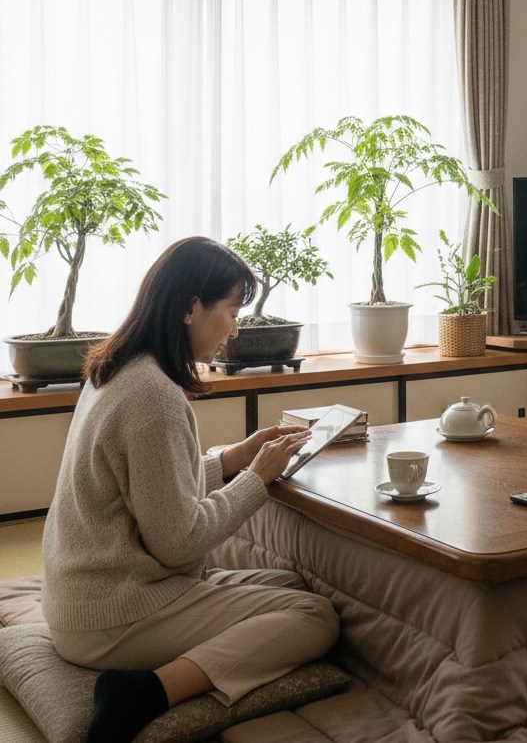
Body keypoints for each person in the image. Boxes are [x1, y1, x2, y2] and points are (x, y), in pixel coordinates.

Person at [41, 236, 341, 743]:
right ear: (189, 308)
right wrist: (256, 479)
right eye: (230, 309)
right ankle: (145, 693)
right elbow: (178, 541)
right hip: (110, 614)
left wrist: (231, 459)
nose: (236, 327)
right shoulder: (153, 395)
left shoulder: (117, 370)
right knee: (314, 616)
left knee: (288, 588)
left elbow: (148, 489)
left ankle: (163, 670)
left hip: (81, 597)